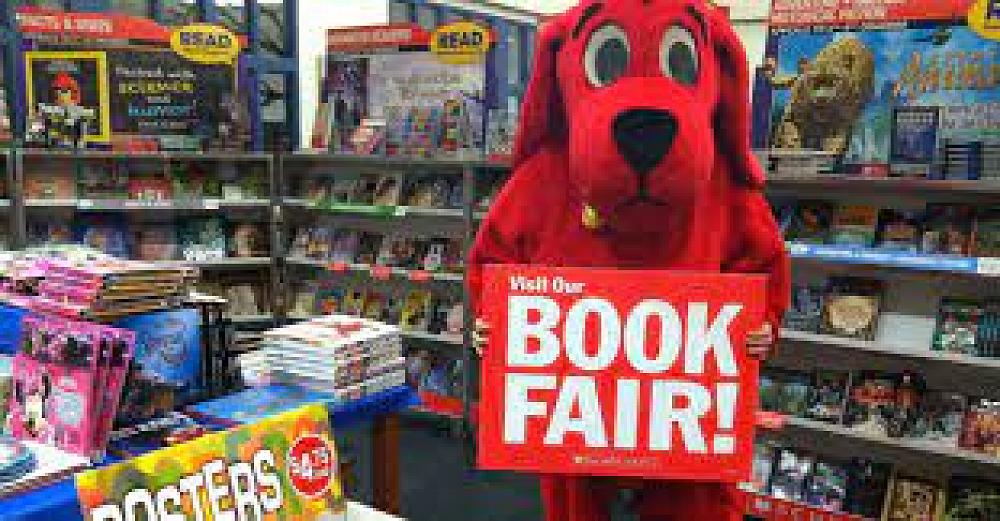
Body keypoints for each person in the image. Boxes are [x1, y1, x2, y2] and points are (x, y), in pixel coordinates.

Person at [467, 1, 791, 519]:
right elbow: (495, 257)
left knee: (694, 506)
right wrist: (496, 319)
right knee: (575, 501)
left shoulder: (724, 190)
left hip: (684, 409)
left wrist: (761, 324)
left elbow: (763, 264)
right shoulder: (544, 180)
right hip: (577, 408)